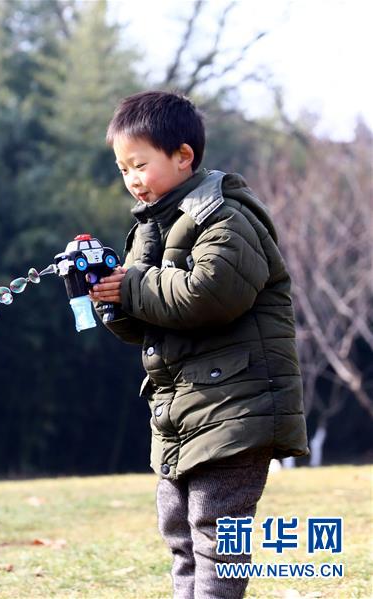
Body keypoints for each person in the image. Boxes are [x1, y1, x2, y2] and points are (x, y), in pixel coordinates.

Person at [89, 90, 309, 598]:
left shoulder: (226, 216)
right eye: (123, 169)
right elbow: (147, 325)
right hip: (181, 413)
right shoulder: (149, 229)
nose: (132, 179)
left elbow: (206, 297)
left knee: (215, 534)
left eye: (140, 164)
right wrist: (105, 296)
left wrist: (129, 286)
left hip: (235, 408)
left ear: (183, 155)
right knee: (179, 533)